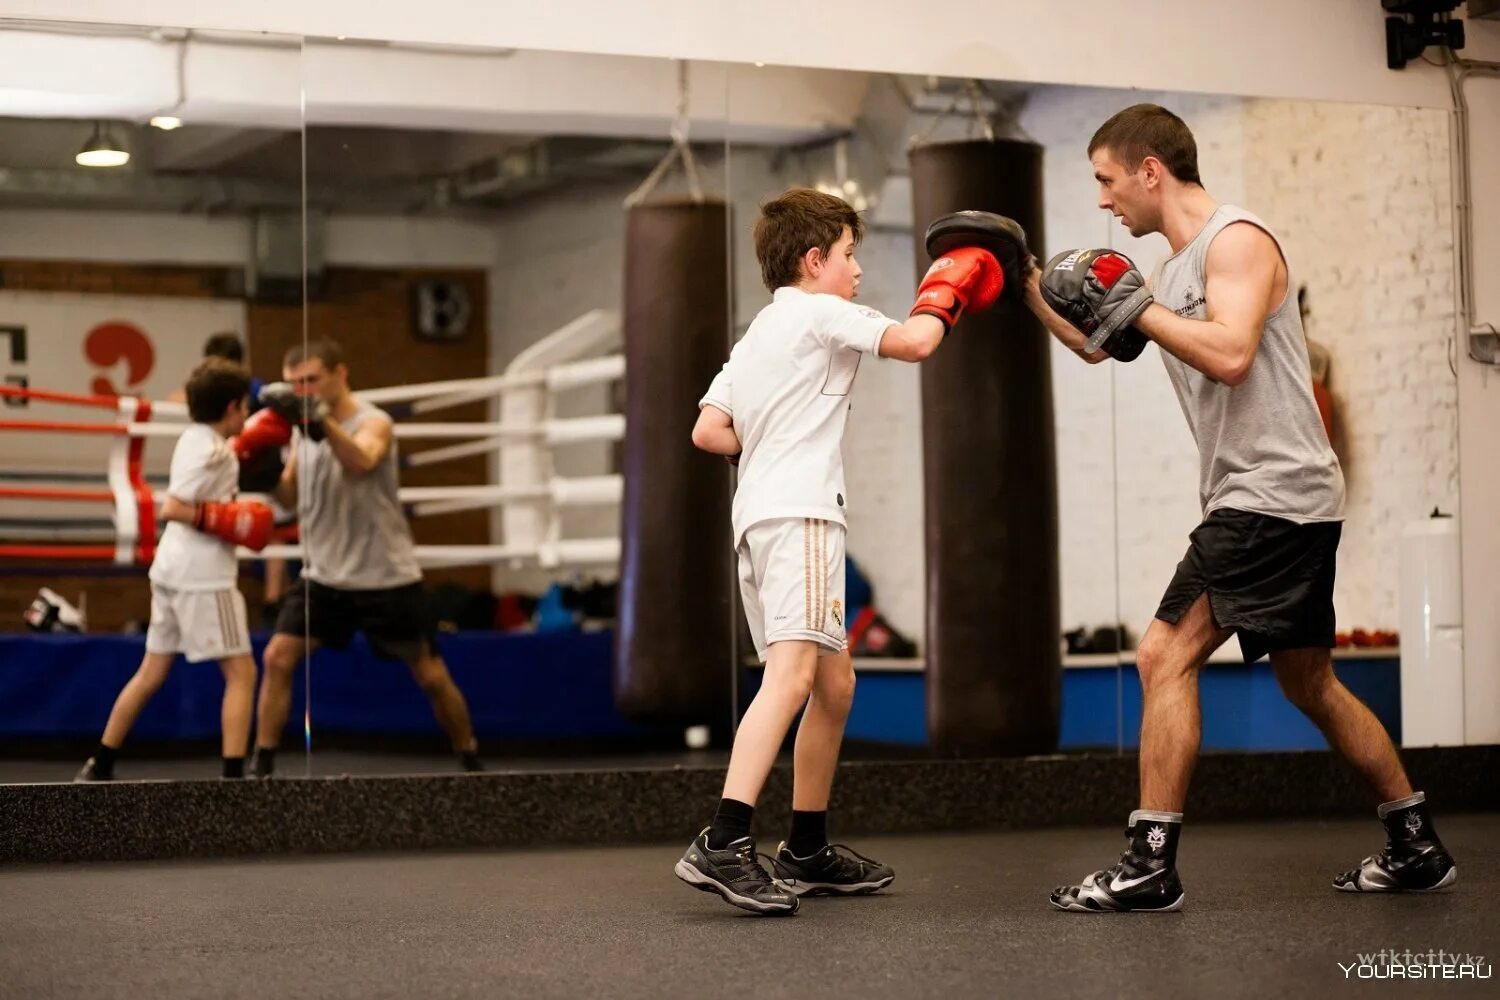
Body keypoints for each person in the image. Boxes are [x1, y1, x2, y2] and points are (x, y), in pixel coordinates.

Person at [1025, 103, 1457, 912]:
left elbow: (1229, 353)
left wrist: (1135, 311)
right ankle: (1416, 843)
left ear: (1151, 170)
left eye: (1107, 180)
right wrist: (1026, 283)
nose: (1104, 201)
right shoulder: (1174, 271)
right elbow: (1098, 345)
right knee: (1312, 684)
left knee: (1163, 655)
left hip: (1272, 493)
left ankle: (1149, 859)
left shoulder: (1238, 241)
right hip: (1275, 497)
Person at [675, 187, 1008, 914]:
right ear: (813, 259)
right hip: (799, 517)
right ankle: (725, 841)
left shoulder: (757, 333)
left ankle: (806, 847)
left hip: (759, 519)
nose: (858, 271)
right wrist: (947, 286)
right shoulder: (822, 311)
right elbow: (918, 343)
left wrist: (770, 446)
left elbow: (709, 430)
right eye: (851, 256)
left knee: (834, 686)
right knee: (793, 679)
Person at [248, 339, 482, 776]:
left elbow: (362, 460)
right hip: (325, 578)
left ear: (341, 374)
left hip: (384, 577)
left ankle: (469, 757)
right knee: (277, 657)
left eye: (312, 380)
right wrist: (259, 474)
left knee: (430, 675)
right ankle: (261, 767)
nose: (304, 391)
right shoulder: (301, 432)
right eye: (295, 383)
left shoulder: (375, 421)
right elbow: (290, 495)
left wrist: (318, 422)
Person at [76, 359, 273, 781]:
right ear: (235, 406)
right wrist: (229, 518)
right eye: (245, 408)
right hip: (204, 577)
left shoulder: (194, 438)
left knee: (151, 671)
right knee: (243, 672)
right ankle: (234, 779)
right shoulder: (216, 453)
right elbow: (174, 506)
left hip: (169, 570)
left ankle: (100, 763)